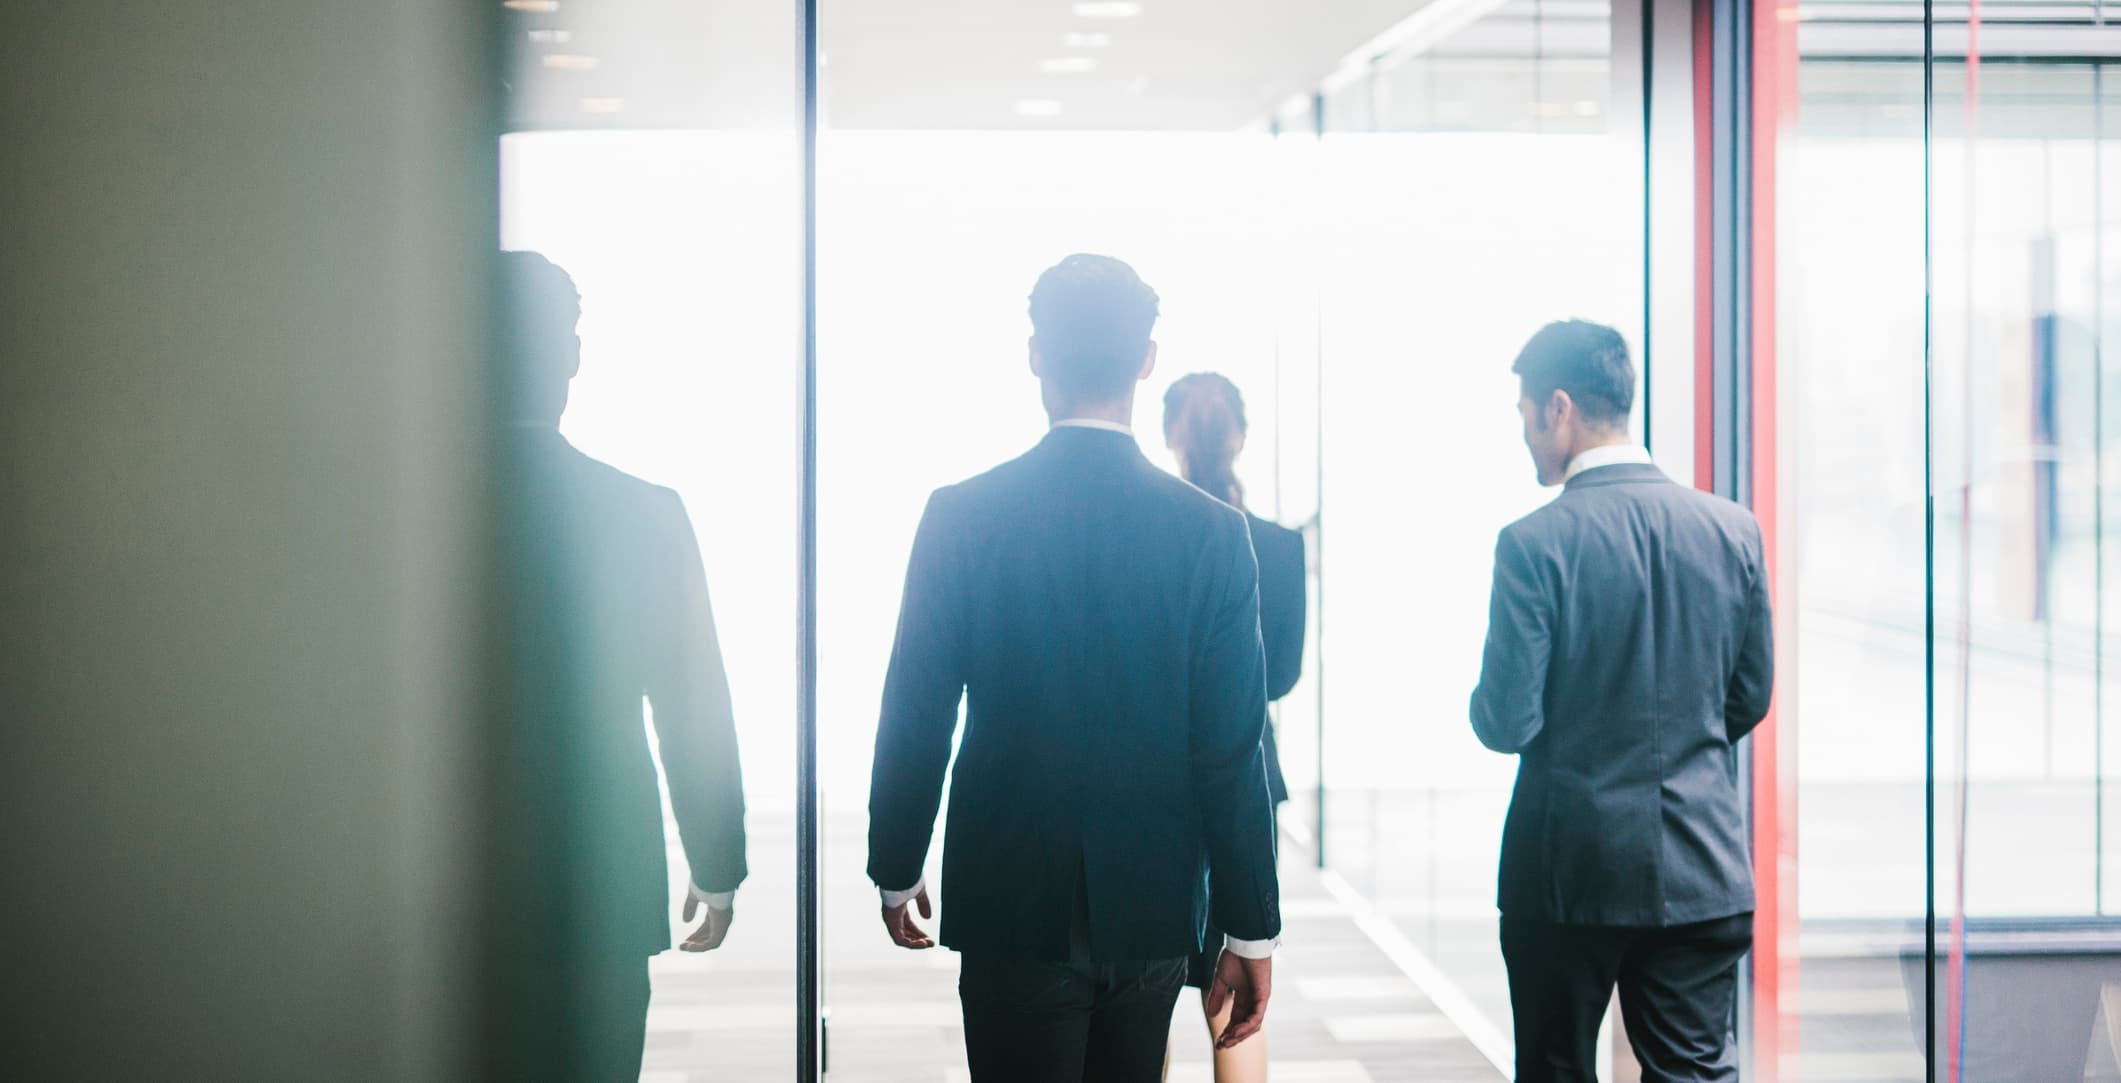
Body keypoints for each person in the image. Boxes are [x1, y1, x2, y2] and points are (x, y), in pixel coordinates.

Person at [867, 254, 1283, 1083]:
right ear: (1145, 360)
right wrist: (1249, 925)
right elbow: (1230, 748)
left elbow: (916, 710)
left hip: (1010, 897)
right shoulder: (1211, 533)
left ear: (1035, 354)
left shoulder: (961, 515)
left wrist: (897, 862)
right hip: (1151, 902)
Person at [1469, 319, 1773, 1083]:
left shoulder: (1533, 542)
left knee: (1555, 1070)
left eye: (1524, 415)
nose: (1524, 436)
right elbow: (1747, 696)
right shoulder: (1731, 530)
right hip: (1700, 867)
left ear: (1559, 408)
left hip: (1566, 871)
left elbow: (1506, 720)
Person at [496, 250, 748, 1081]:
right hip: (597, 883)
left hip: (428, 888)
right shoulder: (644, 511)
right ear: (570, 356)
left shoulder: (399, 513)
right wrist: (716, 866)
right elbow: (691, 706)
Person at [1161, 373, 1306, 1082]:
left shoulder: (1152, 539)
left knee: (1148, 991)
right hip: (1244, 772)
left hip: (1155, 778)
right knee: (1236, 995)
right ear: (1240, 437)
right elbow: (1281, 676)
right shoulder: (1277, 545)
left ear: (1169, 435)